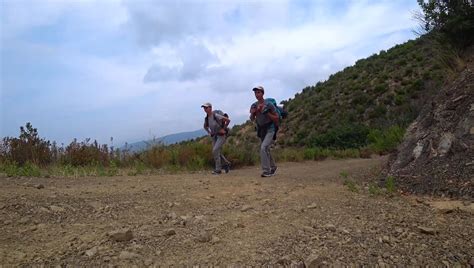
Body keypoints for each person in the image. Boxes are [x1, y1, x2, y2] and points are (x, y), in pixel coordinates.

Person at [249, 86, 279, 177]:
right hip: (261, 130)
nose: (257, 94)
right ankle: (273, 167)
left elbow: (276, 118)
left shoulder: (269, 104)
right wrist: (254, 112)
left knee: (263, 148)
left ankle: (266, 170)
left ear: (262, 93)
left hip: (270, 129)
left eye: (258, 92)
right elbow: (251, 119)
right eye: (255, 93)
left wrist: (266, 112)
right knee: (266, 149)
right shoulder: (254, 105)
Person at [202, 102, 231, 175]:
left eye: (206, 107)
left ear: (210, 108)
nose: (205, 109)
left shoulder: (216, 115)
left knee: (215, 150)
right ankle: (226, 164)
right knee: (216, 151)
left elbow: (228, 120)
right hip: (214, 136)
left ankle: (218, 169)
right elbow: (205, 126)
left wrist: (223, 128)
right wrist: (209, 132)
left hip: (221, 135)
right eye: (204, 108)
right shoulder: (207, 118)